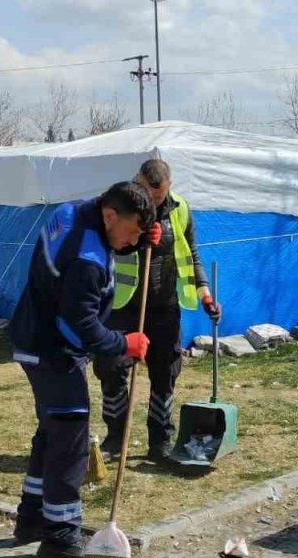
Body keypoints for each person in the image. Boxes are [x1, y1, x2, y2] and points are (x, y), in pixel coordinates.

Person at [7, 181, 158, 558]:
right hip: (53, 349)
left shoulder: (74, 210)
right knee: (70, 438)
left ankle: (31, 518)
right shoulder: (87, 260)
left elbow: (113, 236)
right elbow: (83, 327)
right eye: (132, 231)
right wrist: (124, 344)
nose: (132, 240)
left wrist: (140, 240)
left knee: (52, 430)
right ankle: (59, 535)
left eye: (139, 234)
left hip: (34, 336)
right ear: (109, 215)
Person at [93, 159, 222, 463]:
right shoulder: (118, 203)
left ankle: (160, 440)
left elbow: (191, 254)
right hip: (123, 306)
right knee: (111, 367)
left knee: (165, 373)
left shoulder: (181, 210)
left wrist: (205, 295)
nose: (152, 203)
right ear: (137, 181)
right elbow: (106, 243)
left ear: (168, 187)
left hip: (164, 307)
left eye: (158, 197)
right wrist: (138, 243)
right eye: (147, 195)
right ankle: (116, 437)